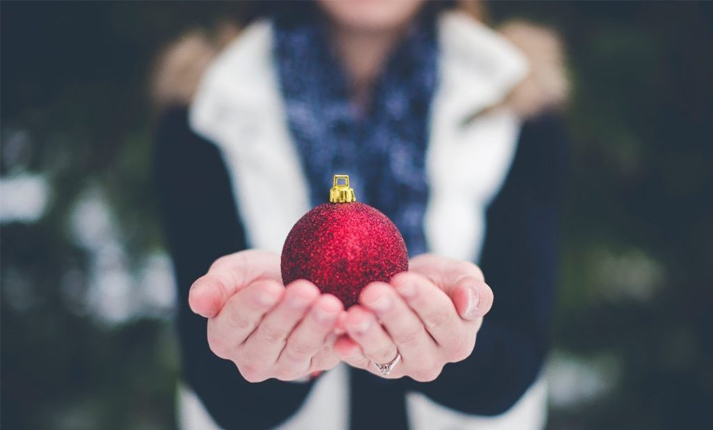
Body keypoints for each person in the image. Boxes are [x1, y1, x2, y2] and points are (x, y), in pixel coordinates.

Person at [152, 1, 568, 429]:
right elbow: (216, 377)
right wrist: (277, 354)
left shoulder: (515, 92)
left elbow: (519, 346)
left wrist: (447, 349)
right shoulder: (207, 102)